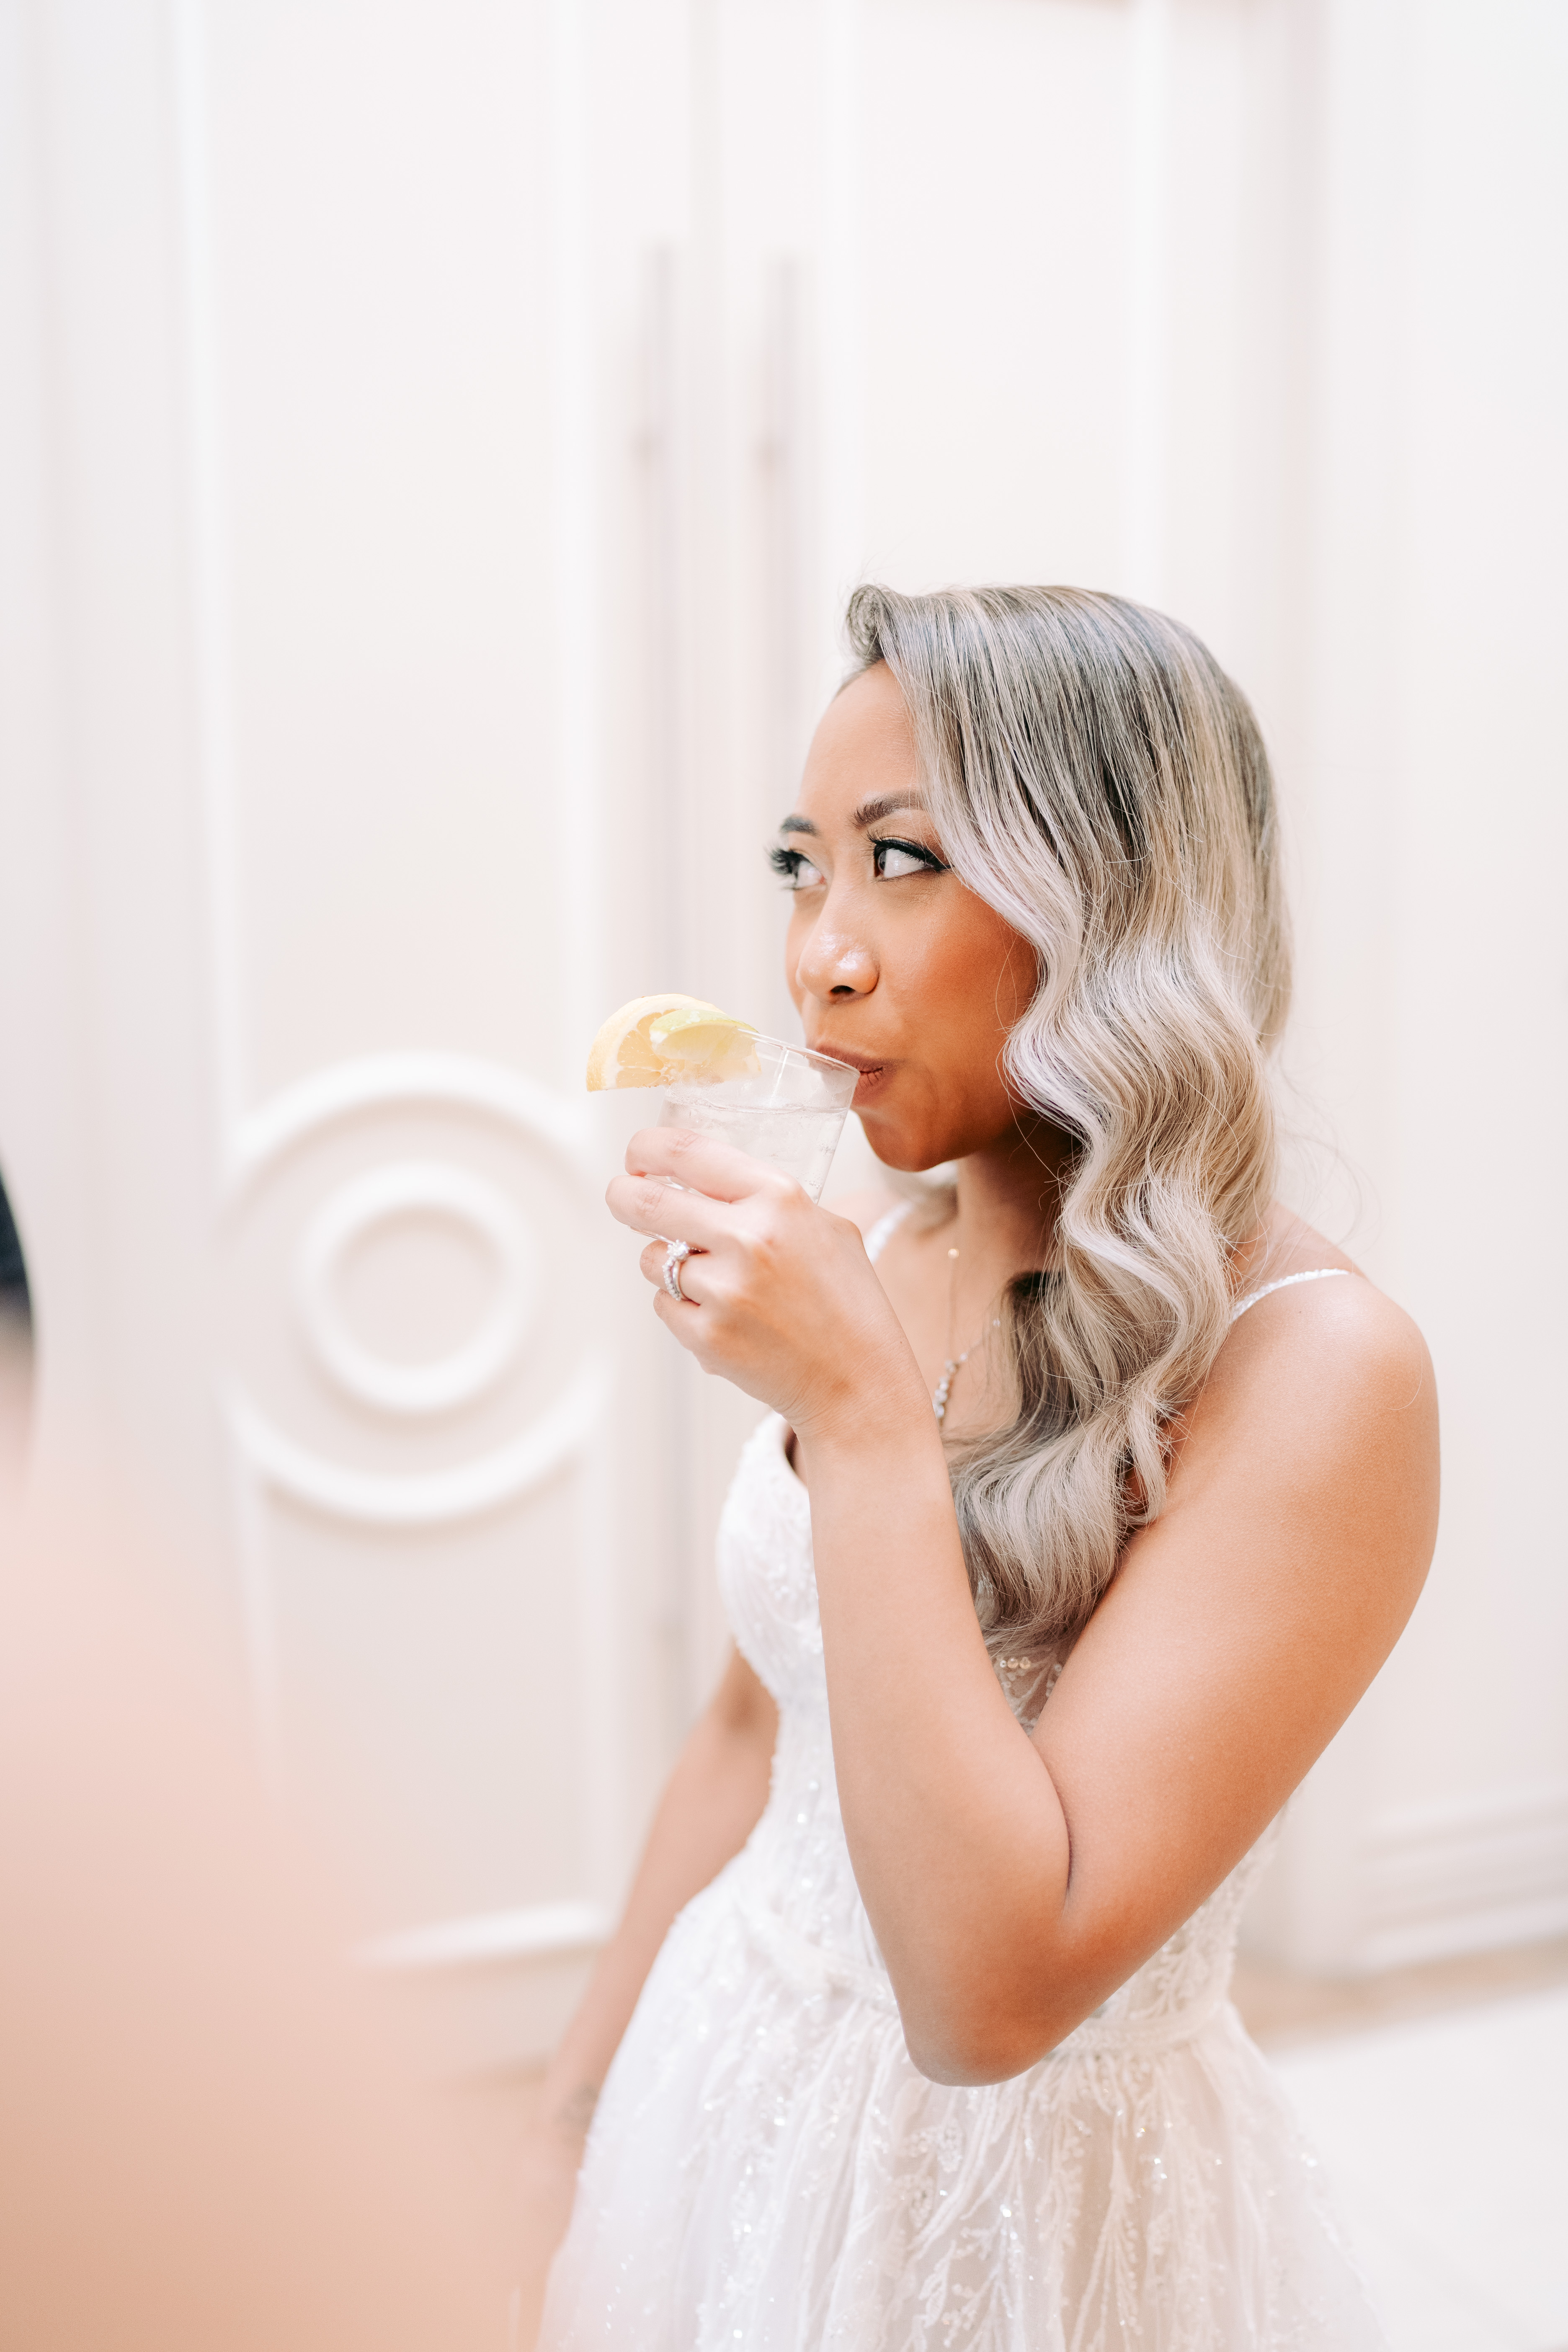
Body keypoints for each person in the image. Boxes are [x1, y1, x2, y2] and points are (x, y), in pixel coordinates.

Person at [524, 585, 1438, 2349]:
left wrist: (860, 1416)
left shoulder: (1321, 1372)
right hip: (721, 2090)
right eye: (801, 868)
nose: (820, 955)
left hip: (1039, 2218)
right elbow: (752, 1735)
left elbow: (989, 1997)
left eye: (904, 862)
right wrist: (566, 2118)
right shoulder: (883, 1243)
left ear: (1116, 897)